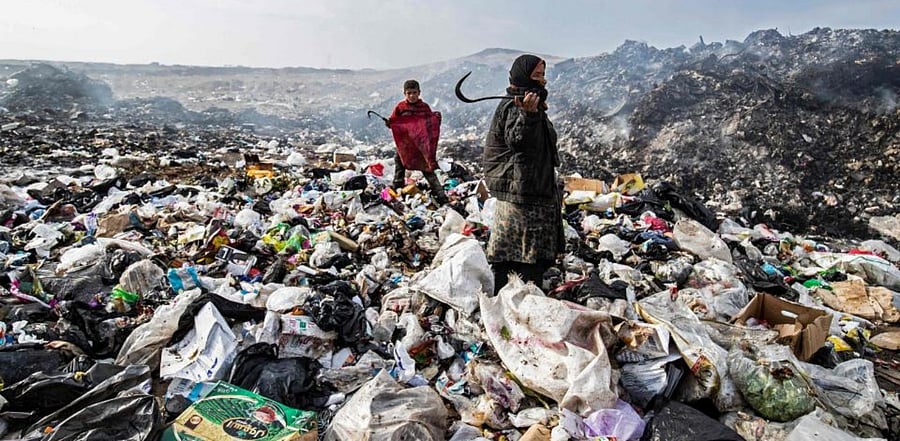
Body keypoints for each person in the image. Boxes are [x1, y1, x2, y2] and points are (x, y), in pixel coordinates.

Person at [483, 54, 564, 294]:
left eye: (543, 75)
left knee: (527, 258)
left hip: (530, 190)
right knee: (520, 259)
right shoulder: (514, 106)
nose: (543, 81)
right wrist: (528, 117)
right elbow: (517, 140)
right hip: (521, 196)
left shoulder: (530, 104)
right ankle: (513, 313)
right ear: (523, 76)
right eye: (537, 76)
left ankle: (521, 308)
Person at [387, 79, 448, 205]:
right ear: (404, 93)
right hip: (406, 146)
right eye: (409, 93)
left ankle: (441, 195)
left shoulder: (424, 107)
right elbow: (394, 122)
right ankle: (397, 187)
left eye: (414, 92)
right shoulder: (400, 108)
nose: (412, 96)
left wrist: (435, 119)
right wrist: (390, 123)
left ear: (419, 93)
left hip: (420, 146)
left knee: (427, 168)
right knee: (399, 161)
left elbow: (429, 124)